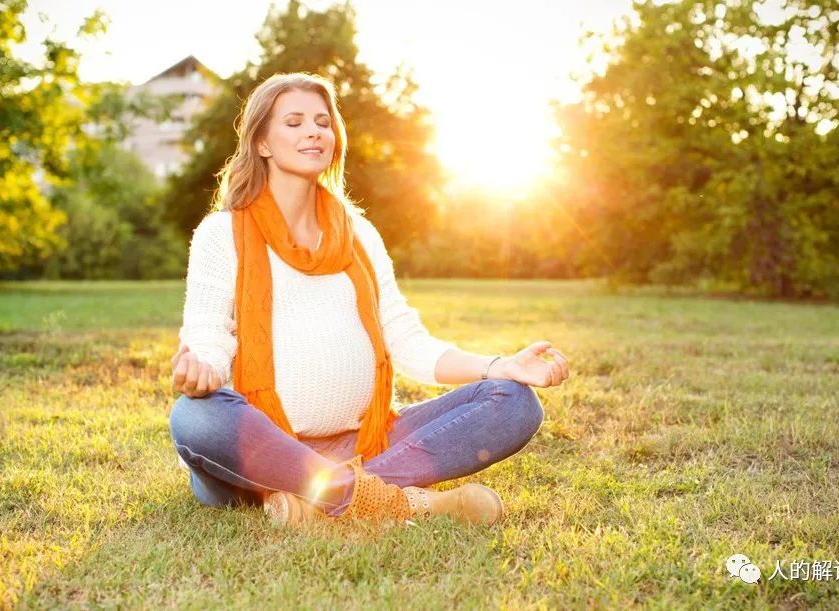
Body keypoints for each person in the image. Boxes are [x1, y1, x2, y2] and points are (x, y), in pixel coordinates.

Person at [167, 72, 571, 528]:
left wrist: (500, 366)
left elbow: (405, 338)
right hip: (259, 451)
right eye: (294, 122)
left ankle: (321, 499)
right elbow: (207, 335)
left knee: (515, 402)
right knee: (195, 417)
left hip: (364, 441)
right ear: (261, 142)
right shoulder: (221, 234)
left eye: (323, 121)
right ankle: (403, 503)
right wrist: (202, 367)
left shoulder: (360, 234)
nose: (314, 131)